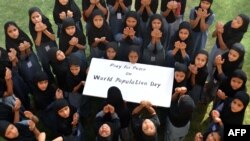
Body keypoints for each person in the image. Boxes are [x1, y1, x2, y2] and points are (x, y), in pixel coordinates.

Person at [207, 14, 249, 78]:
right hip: (216, 47)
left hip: (224, 52)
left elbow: (223, 47)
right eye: (235, 19)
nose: (234, 22)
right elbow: (213, 35)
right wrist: (217, 29)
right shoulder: (230, 23)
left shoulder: (239, 35)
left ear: (242, 26)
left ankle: (211, 81)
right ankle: (205, 79)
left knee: (216, 67)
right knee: (209, 62)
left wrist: (219, 34)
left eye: (238, 22)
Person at [28, 7, 57, 83]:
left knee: (55, 62)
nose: (36, 19)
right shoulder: (31, 26)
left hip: (51, 44)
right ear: (30, 18)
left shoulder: (46, 21)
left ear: (41, 15)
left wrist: (44, 29)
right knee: (45, 65)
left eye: (38, 16)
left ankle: (58, 75)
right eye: (33, 17)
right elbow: (37, 43)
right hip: (41, 48)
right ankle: (52, 81)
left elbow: (53, 37)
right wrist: (39, 31)